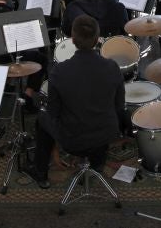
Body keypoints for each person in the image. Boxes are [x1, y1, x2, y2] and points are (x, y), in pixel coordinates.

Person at [26, 15, 124, 189]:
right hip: (106, 135)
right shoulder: (112, 67)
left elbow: (53, 113)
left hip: (72, 141)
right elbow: (119, 107)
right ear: (97, 39)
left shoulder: (59, 71)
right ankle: (97, 162)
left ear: (72, 39)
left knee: (42, 119)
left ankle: (40, 172)